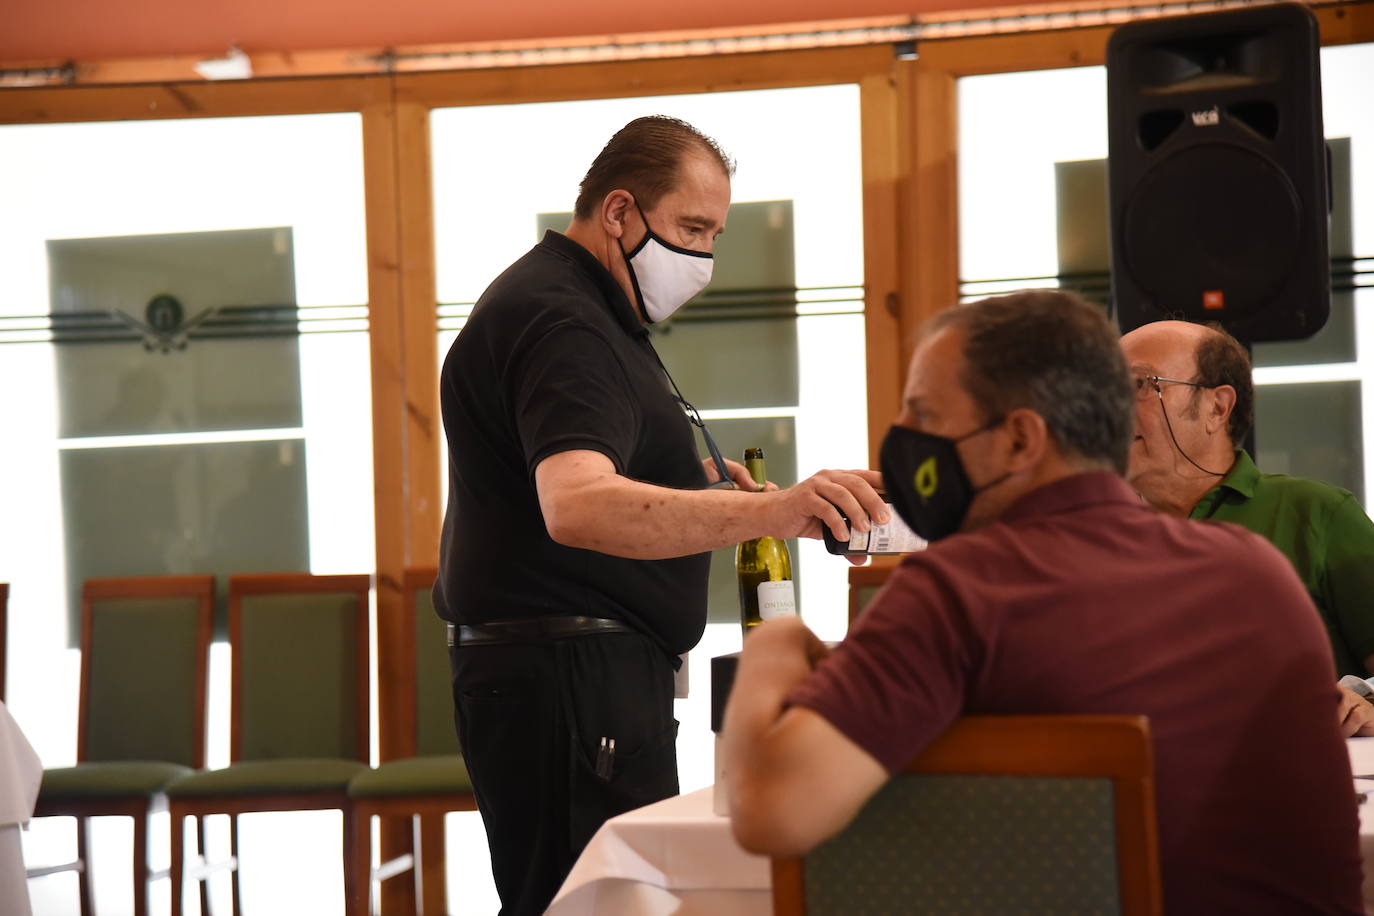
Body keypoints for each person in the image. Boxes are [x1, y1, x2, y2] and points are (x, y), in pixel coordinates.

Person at [722, 290, 1363, 913]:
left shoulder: (962, 590)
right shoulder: (1258, 574)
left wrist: (777, 643)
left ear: (1022, 440)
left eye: (924, 415)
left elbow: (771, 811)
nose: (903, 437)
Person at [432, 115, 886, 915]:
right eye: (692, 228)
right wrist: (776, 510)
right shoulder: (566, 320)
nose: (704, 258)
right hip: (567, 680)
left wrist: (687, 479)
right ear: (618, 213)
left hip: (574, 677)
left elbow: (589, 470)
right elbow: (575, 505)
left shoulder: (579, 305)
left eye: (716, 234)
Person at [1121, 319, 1374, 731]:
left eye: (1137, 385)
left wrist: (1365, 704)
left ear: (1217, 408)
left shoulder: (1316, 512)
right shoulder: (1094, 540)